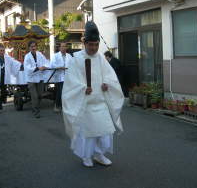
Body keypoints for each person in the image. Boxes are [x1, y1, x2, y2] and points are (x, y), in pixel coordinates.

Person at [62, 21, 124, 168]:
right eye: (91, 44)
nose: (94, 48)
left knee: (105, 133)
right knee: (88, 134)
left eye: (96, 44)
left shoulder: (101, 58)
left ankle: (99, 154)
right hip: (86, 104)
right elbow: (70, 83)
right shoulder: (76, 59)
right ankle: (86, 156)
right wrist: (83, 89)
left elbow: (110, 76)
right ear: (85, 43)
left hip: (100, 102)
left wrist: (107, 84)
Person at [0, 45, 22, 114]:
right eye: (0, 50)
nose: (2, 52)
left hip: (4, 77)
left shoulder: (7, 58)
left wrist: (20, 65)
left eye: (3, 50)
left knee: (4, 93)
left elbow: (13, 62)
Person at [24, 41, 49, 118]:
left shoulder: (40, 54)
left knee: (39, 95)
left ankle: (35, 107)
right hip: (31, 79)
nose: (33, 48)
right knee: (34, 96)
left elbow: (46, 62)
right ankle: (36, 111)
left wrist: (45, 66)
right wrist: (38, 68)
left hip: (40, 77)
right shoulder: (27, 56)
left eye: (34, 46)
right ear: (29, 48)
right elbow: (27, 68)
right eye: (32, 46)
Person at [50, 42, 72, 113]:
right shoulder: (55, 56)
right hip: (59, 77)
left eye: (65, 46)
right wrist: (59, 67)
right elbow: (52, 65)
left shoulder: (69, 56)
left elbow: (73, 64)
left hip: (68, 77)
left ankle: (64, 106)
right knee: (60, 91)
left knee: (67, 92)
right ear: (59, 48)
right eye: (62, 46)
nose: (63, 48)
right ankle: (57, 105)